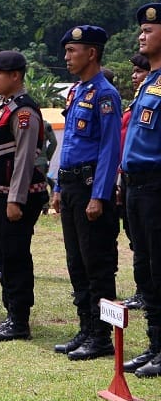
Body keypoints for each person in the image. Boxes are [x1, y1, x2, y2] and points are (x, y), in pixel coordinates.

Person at [51, 25, 121, 360]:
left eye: (72, 51)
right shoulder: (77, 92)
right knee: (76, 262)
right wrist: (58, 185)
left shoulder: (105, 95)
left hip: (92, 186)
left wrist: (100, 196)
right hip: (72, 185)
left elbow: (110, 149)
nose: (66, 57)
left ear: (91, 53)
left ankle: (102, 336)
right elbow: (69, 145)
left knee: (97, 264)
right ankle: (86, 327)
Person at [0, 50, 48, 342]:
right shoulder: (4, 108)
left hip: (15, 196)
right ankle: (11, 315)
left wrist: (16, 199)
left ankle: (19, 319)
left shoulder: (24, 111)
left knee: (14, 255)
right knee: (1, 255)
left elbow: (25, 159)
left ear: (15, 76)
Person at [122, 3, 161, 378]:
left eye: (151, 29)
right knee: (145, 270)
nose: (142, 34)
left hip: (156, 185)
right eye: (142, 29)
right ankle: (155, 344)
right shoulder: (150, 81)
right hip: (136, 187)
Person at [119, 53, 151, 311]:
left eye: (139, 71)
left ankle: (147, 293)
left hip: (149, 181)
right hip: (129, 178)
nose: (134, 76)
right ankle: (143, 291)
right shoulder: (135, 102)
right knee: (136, 241)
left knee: (148, 245)